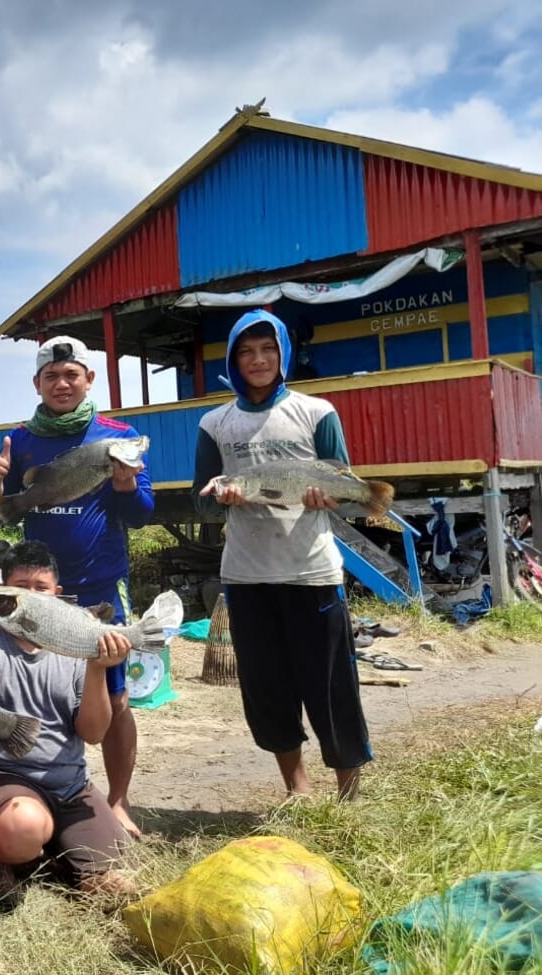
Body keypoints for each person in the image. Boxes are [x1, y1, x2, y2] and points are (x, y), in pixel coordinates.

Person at [193, 309, 371, 800]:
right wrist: (217, 498)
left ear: (283, 355)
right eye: (246, 351)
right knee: (267, 688)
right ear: (232, 358)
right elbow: (199, 500)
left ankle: (349, 790)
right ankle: (296, 787)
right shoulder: (214, 422)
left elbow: (346, 486)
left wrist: (330, 497)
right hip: (247, 577)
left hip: (312, 571)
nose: (258, 360)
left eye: (268, 349)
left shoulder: (317, 412)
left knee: (331, 685)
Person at [0, 335, 154, 838]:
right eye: (51, 376)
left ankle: (118, 800)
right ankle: (41, 788)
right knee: (37, 690)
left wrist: (124, 485)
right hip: (40, 591)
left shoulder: (117, 435)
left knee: (116, 698)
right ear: (37, 383)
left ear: (88, 379)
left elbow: (142, 515)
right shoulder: (21, 440)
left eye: (71, 374)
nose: (62, 383)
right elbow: (4, 510)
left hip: (102, 581)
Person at [0, 541, 137, 897]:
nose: (32, 596)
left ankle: (48, 849)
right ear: (3, 590)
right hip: (0, 777)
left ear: (58, 594)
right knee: (26, 828)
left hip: (69, 785)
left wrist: (96, 668)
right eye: (21, 588)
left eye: (42, 588)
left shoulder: (76, 638)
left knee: (118, 882)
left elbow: (94, 733)